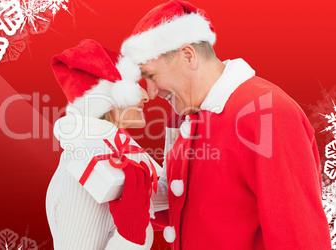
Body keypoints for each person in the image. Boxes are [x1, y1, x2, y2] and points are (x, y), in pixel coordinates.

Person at [119, 0, 332, 249]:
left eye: (152, 76)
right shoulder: (193, 116)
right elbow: (191, 211)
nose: (152, 92)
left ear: (188, 56)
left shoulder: (268, 113)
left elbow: (298, 237)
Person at [45, 39, 154, 249]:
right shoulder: (85, 175)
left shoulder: (114, 156)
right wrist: (131, 235)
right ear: (107, 100)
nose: (147, 96)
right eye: (133, 86)